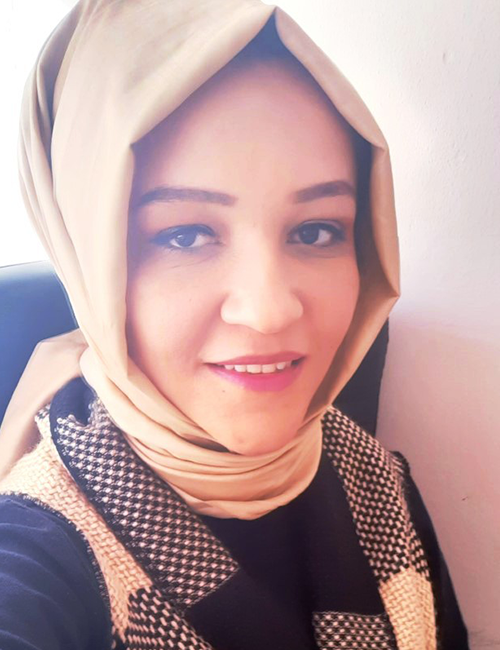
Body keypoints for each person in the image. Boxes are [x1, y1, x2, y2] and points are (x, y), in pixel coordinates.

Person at [0, 0, 469, 648]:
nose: (269, 311)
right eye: (185, 235)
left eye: (316, 230)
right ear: (87, 258)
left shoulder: (381, 487)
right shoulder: (38, 554)